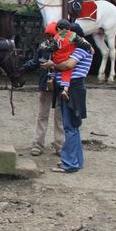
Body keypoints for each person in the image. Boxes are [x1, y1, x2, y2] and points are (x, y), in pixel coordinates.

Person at [41, 22, 92, 173]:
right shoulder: (81, 47)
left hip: (73, 89)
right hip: (74, 88)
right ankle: (76, 160)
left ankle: (69, 163)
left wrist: (53, 64)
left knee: (69, 127)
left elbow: (68, 65)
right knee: (73, 126)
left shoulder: (80, 49)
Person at [24, 21, 64, 157]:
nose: (50, 39)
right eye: (48, 36)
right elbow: (35, 62)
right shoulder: (43, 47)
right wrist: (22, 67)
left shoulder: (64, 47)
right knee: (43, 115)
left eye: (52, 36)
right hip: (46, 84)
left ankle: (59, 145)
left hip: (59, 84)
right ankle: (38, 144)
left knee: (59, 116)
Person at [41, 19, 93, 101]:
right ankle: (65, 89)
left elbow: (52, 48)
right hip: (66, 58)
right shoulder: (72, 35)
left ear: (58, 29)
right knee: (67, 72)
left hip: (56, 57)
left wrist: (44, 47)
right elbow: (69, 64)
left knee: (54, 68)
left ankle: (51, 78)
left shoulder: (57, 37)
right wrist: (89, 47)